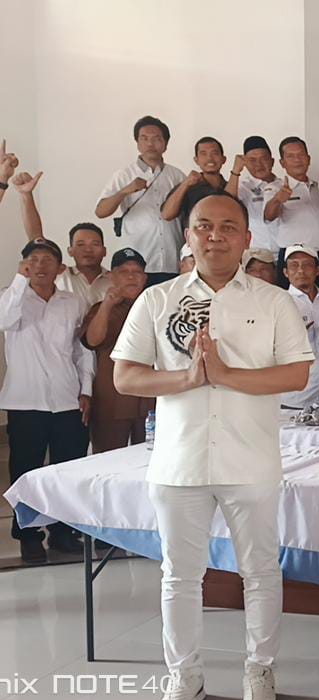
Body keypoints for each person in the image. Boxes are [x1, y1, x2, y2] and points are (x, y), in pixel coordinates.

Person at [111, 193, 313, 700]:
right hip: (179, 462)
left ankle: (259, 669)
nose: (215, 236)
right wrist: (186, 378)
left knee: (260, 571)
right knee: (179, 575)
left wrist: (225, 375)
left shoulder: (274, 302)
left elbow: (296, 374)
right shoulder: (157, 300)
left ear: (247, 238)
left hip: (251, 460)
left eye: (228, 227)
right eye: (204, 226)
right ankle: (185, 676)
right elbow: (125, 375)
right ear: (188, 236)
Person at [1, 239, 94, 564]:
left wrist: (86, 389)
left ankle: (63, 532)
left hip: (67, 399)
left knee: (66, 469)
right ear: (25, 265)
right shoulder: (12, 297)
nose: (40, 265)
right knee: (25, 471)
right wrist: (19, 280)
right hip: (26, 402)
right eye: (33, 259)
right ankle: (28, 536)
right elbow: (4, 320)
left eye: (47, 260)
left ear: (60, 267)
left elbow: (82, 349)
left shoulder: (72, 302)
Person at [95, 116, 187, 284]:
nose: (150, 144)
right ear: (137, 143)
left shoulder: (177, 176)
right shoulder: (124, 175)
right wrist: (125, 191)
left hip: (172, 260)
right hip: (137, 263)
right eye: (144, 138)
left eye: (156, 139)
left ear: (165, 144)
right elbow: (100, 211)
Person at [82, 248, 154, 452]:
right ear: (111, 276)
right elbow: (92, 341)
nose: (131, 277)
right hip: (112, 402)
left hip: (149, 401)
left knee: (148, 459)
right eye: (123, 272)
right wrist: (107, 305)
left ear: (144, 278)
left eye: (137, 272)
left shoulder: (155, 306)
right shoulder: (101, 308)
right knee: (107, 460)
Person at [12, 168, 116, 306]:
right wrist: (26, 195)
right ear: (70, 251)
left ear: (104, 251)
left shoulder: (114, 280)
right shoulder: (59, 274)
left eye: (95, 244)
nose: (88, 250)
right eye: (80, 244)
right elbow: (36, 240)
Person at [280, 245, 319, 409]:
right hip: (294, 397)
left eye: (307, 265)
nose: (300, 270)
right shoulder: (278, 302)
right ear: (285, 272)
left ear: (317, 270)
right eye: (294, 265)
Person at [264, 136, 319, 272]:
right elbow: (268, 216)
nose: (297, 160)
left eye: (301, 155)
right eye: (290, 156)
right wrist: (278, 199)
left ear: (308, 159)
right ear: (282, 163)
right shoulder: (275, 188)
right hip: (292, 258)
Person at [161, 136, 229, 235]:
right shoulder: (188, 186)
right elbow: (167, 215)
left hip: (224, 241)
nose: (209, 158)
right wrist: (185, 184)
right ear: (196, 160)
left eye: (214, 153)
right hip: (195, 242)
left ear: (223, 159)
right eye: (203, 154)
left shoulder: (230, 187)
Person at [226, 136, 282, 252]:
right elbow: (226, 204)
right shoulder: (243, 187)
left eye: (263, 159)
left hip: (284, 252)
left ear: (272, 161)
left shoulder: (284, 186)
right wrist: (235, 170)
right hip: (255, 254)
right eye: (252, 160)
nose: (258, 164)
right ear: (245, 164)